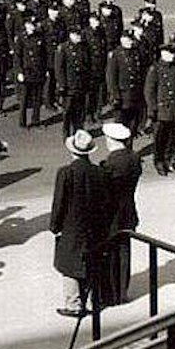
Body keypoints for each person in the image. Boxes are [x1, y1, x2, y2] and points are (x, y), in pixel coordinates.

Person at [51, 129, 110, 317]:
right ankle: (91, 299)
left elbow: (59, 203)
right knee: (89, 261)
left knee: (69, 265)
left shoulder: (66, 173)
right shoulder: (98, 172)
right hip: (92, 225)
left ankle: (74, 304)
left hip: (71, 226)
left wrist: (55, 226)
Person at [99, 122, 141, 306]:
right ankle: (122, 290)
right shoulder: (133, 158)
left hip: (111, 215)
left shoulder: (111, 163)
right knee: (124, 251)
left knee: (110, 254)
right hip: (128, 210)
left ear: (112, 140)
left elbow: (105, 191)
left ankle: (112, 292)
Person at [144, 45, 175, 175]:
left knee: (173, 138)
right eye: (170, 53)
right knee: (161, 138)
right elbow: (149, 91)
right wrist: (152, 109)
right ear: (163, 53)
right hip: (162, 110)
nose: (173, 56)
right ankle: (159, 162)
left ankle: (170, 161)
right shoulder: (155, 69)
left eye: (173, 53)